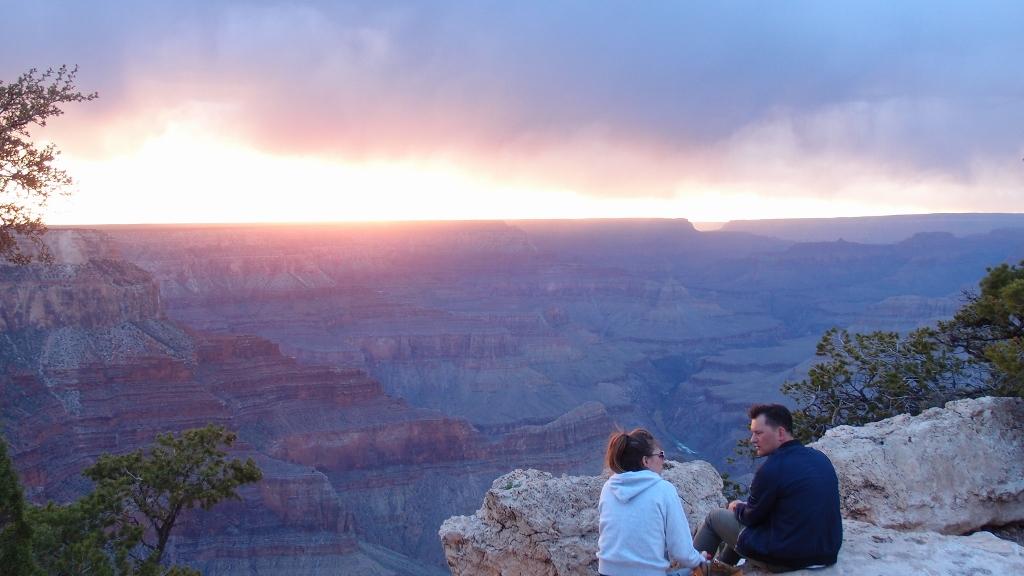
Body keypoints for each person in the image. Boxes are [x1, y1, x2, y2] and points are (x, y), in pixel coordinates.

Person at [693, 404, 842, 572]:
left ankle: (688, 570)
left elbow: (750, 518)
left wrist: (737, 507)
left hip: (787, 559)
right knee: (746, 529)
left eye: (758, 433)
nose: (752, 440)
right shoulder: (819, 458)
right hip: (826, 553)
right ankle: (721, 568)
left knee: (715, 517)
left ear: (780, 433)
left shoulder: (772, 469)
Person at [597, 428, 708, 576]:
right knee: (705, 568)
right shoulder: (663, 490)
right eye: (660, 455)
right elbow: (682, 552)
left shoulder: (608, 488)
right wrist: (700, 560)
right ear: (645, 461)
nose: (663, 460)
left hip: (606, 573)